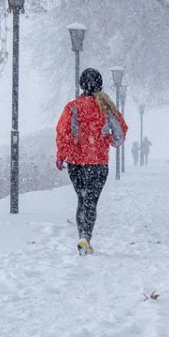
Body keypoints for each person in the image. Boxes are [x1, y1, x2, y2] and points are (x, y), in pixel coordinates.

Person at [54, 68, 128, 255]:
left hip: (76, 163)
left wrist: (62, 154)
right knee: (91, 202)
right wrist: (111, 140)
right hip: (98, 164)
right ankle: (86, 237)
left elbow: (63, 132)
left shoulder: (72, 107)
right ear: (100, 84)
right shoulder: (106, 107)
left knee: (82, 198)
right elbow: (120, 132)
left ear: (81, 85)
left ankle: (82, 236)